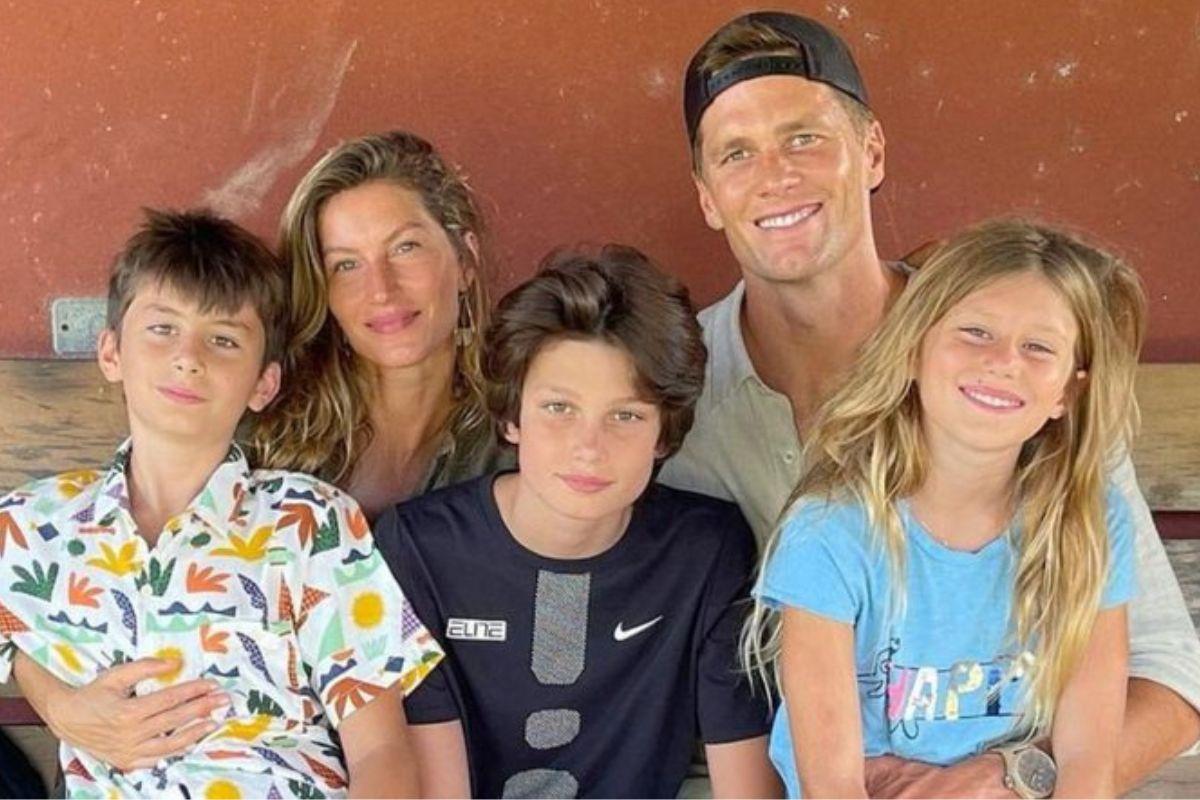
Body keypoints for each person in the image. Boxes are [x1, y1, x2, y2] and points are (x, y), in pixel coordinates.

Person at [659, 10, 1200, 796]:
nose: (775, 175)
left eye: (805, 138)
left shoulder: (1010, 375)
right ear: (708, 196)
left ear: (872, 151)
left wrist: (1008, 779)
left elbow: (1170, 674)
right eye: (737, 153)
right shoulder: (671, 397)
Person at [13, 129, 513, 770]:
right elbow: (83, 578)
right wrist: (61, 705)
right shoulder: (257, 425)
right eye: (346, 264)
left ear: (465, 258)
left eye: (406, 247)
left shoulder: (519, 439)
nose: (381, 288)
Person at [746, 218, 1141, 797]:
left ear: (1067, 392)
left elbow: (1087, 764)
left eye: (1038, 347)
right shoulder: (830, 531)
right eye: (976, 332)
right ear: (912, 350)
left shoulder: (1088, 521)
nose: (1004, 361)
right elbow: (832, 786)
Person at [374, 246, 780, 798]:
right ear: (512, 416)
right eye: (559, 408)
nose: (589, 448)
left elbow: (746, 784)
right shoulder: (420, 548)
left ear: (664, 434)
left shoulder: (706, 551)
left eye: (625, 415)